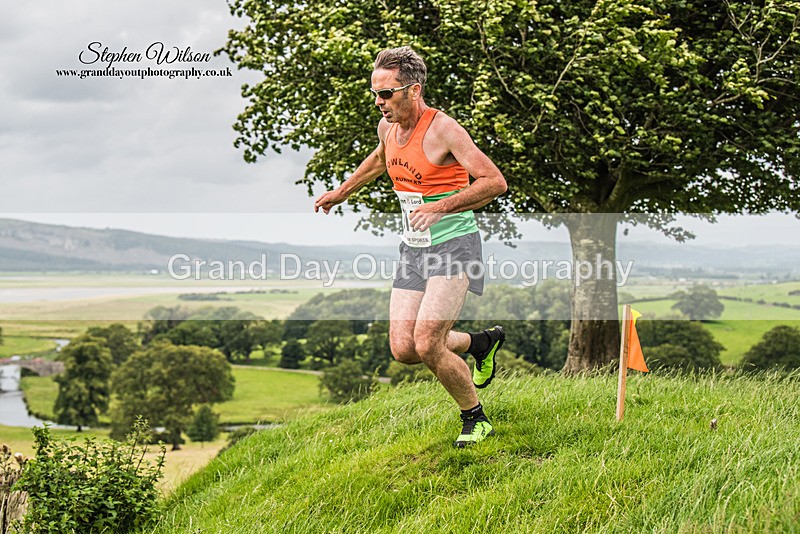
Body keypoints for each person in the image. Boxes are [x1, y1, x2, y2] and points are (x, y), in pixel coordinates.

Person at [314, 46, 507, 447]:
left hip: (455, 245)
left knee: (428, 342)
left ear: (413, 90)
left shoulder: (443, 129)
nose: (379, 102)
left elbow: (493, 182)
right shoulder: (389, 127)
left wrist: (441, 206)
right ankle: (480, 343)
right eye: (375, 93)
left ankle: (476, 418)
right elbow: (380, 159)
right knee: (404, 348)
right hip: (414, 247)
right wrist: (342, 192)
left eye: (387, 93)